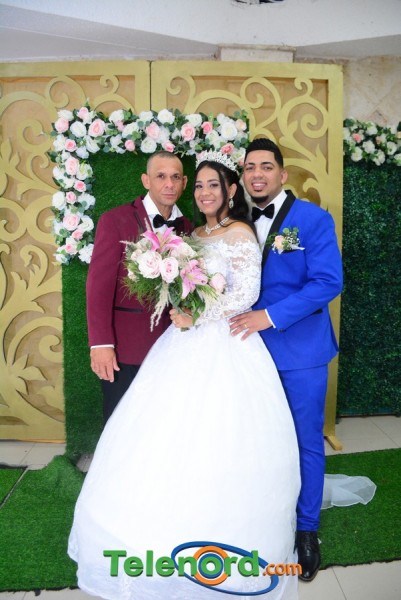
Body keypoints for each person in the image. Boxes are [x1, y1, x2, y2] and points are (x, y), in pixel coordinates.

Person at [68, 151, 301, 599]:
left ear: (230, 190)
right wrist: (103, 340)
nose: (201, 191)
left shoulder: (239, 232)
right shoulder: (187, 232)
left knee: (218, 437)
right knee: (157, 436)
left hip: (224, 346)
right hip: (174, 345)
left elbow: (246, 294)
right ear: (148, 180)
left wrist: (197, 315)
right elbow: (101, 283)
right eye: (198, 185)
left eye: (210, 184)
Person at [230, 138, 343, 582]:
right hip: (246, 352)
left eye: (266, 166)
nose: (257, 174)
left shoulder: (313, 219)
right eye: (250, 167)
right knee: (255, 440)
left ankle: (307, 529)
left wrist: (270, 316)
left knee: (305, 440)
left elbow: (327, 282)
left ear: (282, 173)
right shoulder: (234, 219)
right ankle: (262, 515)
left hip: (301, 351)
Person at [87, 151, 192, 423]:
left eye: (175, 177)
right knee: (121, 424)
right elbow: (98, 288)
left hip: (172, 349)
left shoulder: (188, 227)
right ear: (146, 180)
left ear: (184, 183)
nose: (169, 184)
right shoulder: (115, 220)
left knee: (164, 424)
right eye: (161, 176)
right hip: (126, 349)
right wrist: (101, 344)